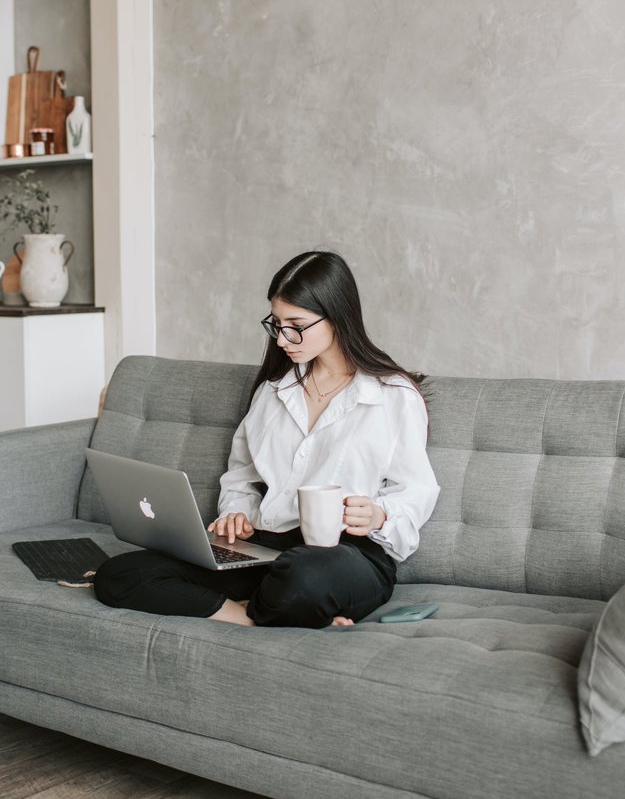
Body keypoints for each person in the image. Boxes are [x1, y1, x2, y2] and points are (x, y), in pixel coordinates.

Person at [94, 250, 440, 628]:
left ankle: (276, 604)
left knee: (303, 577)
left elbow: (415, 491)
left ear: (337, 316)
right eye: (276, 324)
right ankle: (247, 614)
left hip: (345, 555)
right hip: (266, 548)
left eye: (296, 324)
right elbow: (242, 477)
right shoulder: (275, 391)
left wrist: (378, 515)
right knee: (120, 573)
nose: (282, 340)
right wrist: (235, 514)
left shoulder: (392, 395)